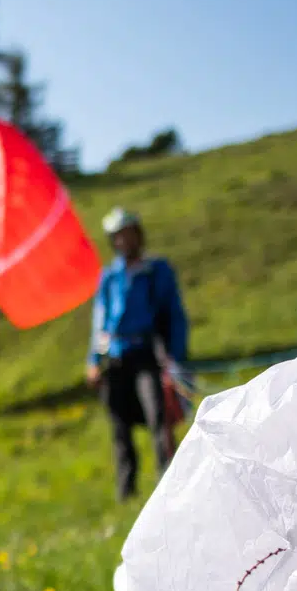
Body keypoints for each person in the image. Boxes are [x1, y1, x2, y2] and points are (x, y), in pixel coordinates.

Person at [84, 208, 189, 503]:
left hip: (147, 357)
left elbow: (174, 316)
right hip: (115, 360)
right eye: (117, 237)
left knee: (158, 417)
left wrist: (176, 358)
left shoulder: (157, 271)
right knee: (119, 426)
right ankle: (126, 492)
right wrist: (93, 362)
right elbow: (99, 322)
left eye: (128, 234)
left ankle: (170, 484)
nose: (123, 241)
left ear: (138, 236)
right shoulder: (108, 277)